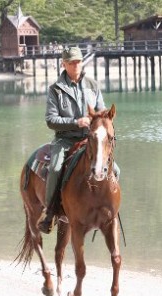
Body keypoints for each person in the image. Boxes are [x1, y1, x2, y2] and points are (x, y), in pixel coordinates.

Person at [38, 46, 105, 234]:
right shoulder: (55, 90)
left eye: (78, 61)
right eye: (71, 62)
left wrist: (98, 122)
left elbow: (102, 113)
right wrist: (76, 122)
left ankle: (108, 208)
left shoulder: (93, 85)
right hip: (65, 140)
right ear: (64, 64)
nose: (76, 65)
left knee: (114, 169)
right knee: (55, 167)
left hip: (89, 140)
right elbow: (51, 121)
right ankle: (50, 212)